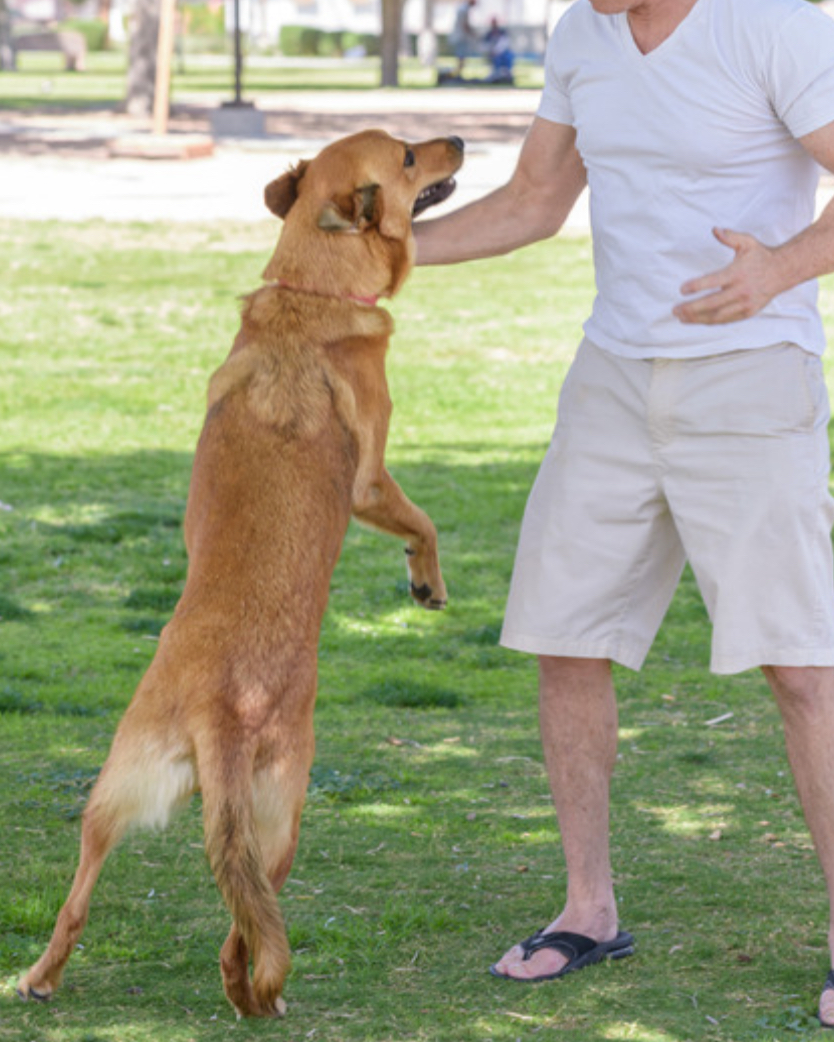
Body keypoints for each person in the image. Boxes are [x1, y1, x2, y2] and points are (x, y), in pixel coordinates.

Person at [414, 0, 834, 1026]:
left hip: (751, 373)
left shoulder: (773, 25)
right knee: (567, 637)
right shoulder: (581, 34)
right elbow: (533, 200)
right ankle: (588, 907)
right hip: (612, 378)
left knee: (802, 664)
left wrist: (777, 267)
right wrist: (373, 261)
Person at [449, 0, 478, 77]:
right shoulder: (464, 9)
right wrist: (473, 34)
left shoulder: (464, 8)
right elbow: (464, 25)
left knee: (461, 58)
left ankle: (457, 74)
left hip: (461, 37)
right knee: (461, 58)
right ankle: (455, 75)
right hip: (460, 37)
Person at [484, 18, 514, 84]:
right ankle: (497, 75)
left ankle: (507, 74)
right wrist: (492, 51)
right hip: (493, 54)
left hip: (502, 52)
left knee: (508, 56)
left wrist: (497, 51)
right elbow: (485, 46)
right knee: (496, 59)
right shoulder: (488, 34)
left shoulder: (502, 32)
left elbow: (505, 43)